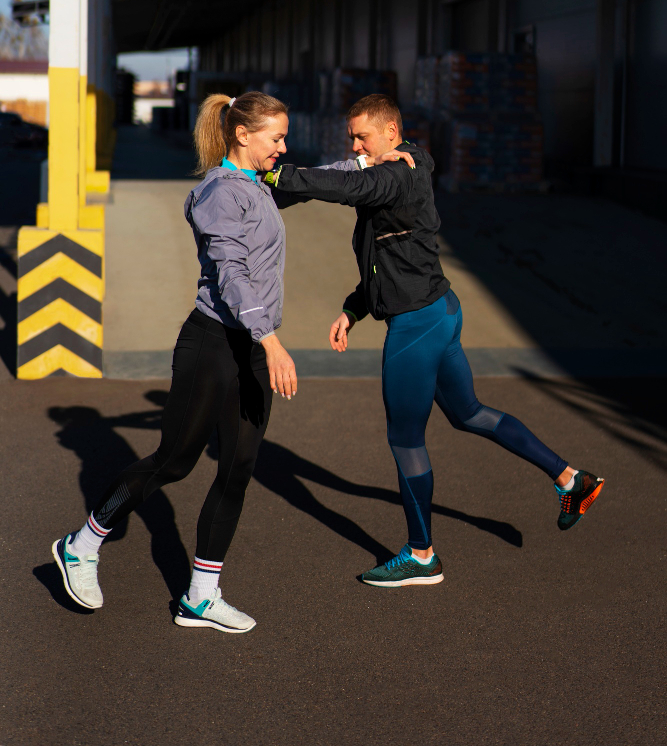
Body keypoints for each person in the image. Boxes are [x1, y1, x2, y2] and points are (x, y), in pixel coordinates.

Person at [266, 94, 605, 588]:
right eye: (351, 136)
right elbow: (393, 258)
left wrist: (274, 173)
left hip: (417, 323)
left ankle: (422, 555)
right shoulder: (406, 162)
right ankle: (572, 480)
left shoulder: (397, 172)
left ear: (390, 131)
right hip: (440, 309)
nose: (355, 144)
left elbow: (343, 185)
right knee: (469, 414)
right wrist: (354, 308)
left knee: (405, 439)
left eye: (362, 135)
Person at [53, 91, 299, 633]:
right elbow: (231, 273)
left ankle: (200, 598)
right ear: (242, 135)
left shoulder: (258, 184)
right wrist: (272, 340)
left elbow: (309, 180)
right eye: (276, 138)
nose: (283, 147)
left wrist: (367, 164)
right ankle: (82, 544)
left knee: (237, 467)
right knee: (175, 461)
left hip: (252, 348)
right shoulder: (217, 192)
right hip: (212, 344)